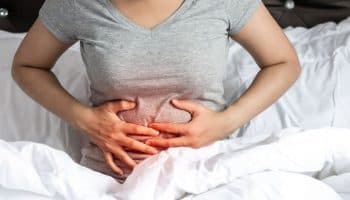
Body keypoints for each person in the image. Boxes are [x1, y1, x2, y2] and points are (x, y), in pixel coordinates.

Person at [11, 0, 301, 183]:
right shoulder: (76, 5)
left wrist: (225, 122)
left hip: (207, 175)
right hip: (110, 181)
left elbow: (284, 63)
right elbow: (27, 66)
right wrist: (84, 119)